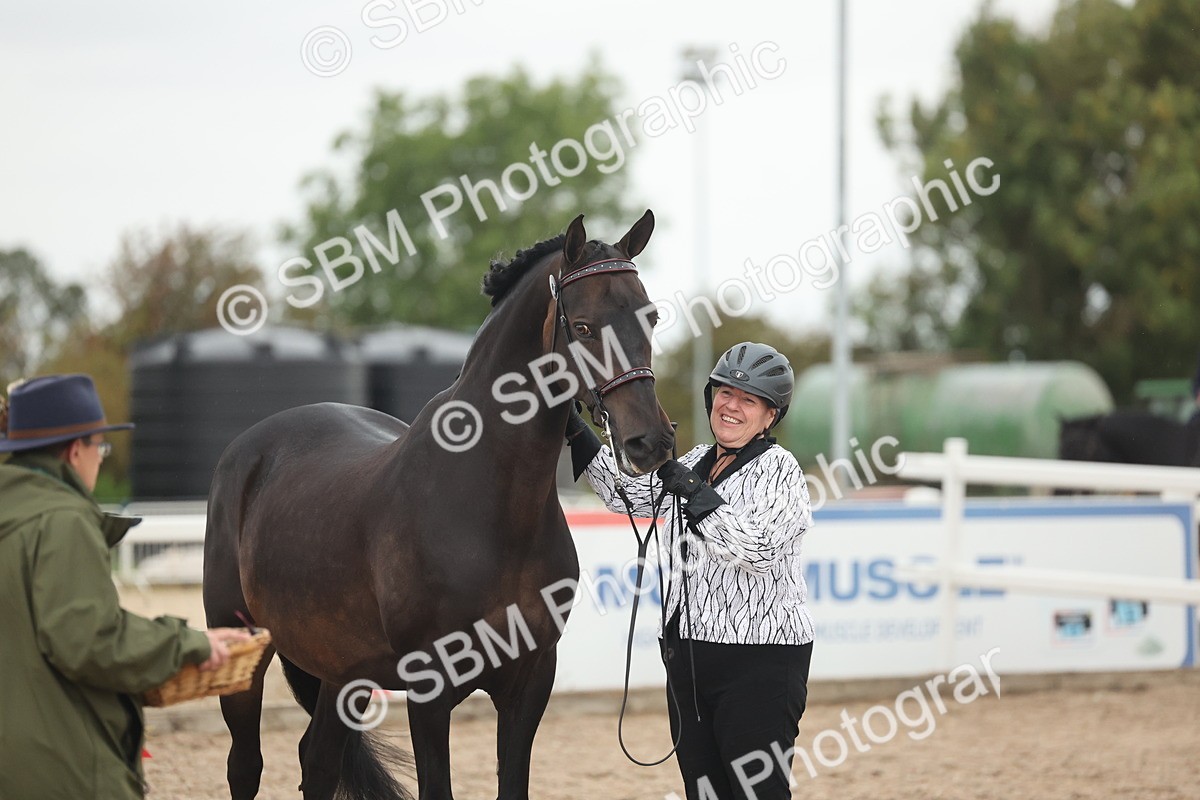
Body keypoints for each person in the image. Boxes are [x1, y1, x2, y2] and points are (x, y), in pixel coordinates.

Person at [567, 342, 814, 800]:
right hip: (687, 656)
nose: (731, 406)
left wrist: (695, 493)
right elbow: (632, 497)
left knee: (756, 792)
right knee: (704, 792)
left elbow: (756, 547)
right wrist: (576, 429)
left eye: (748, 399)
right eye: (725, 392)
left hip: (758, 662)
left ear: (769, 415)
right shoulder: (697, 459)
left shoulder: (780, 470)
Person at [0, 374, 251, 800]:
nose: (101, 457)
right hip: (59, 767)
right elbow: (90, 640)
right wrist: (190, 645)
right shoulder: (64, 522)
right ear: (75, 448)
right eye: (100, 445)